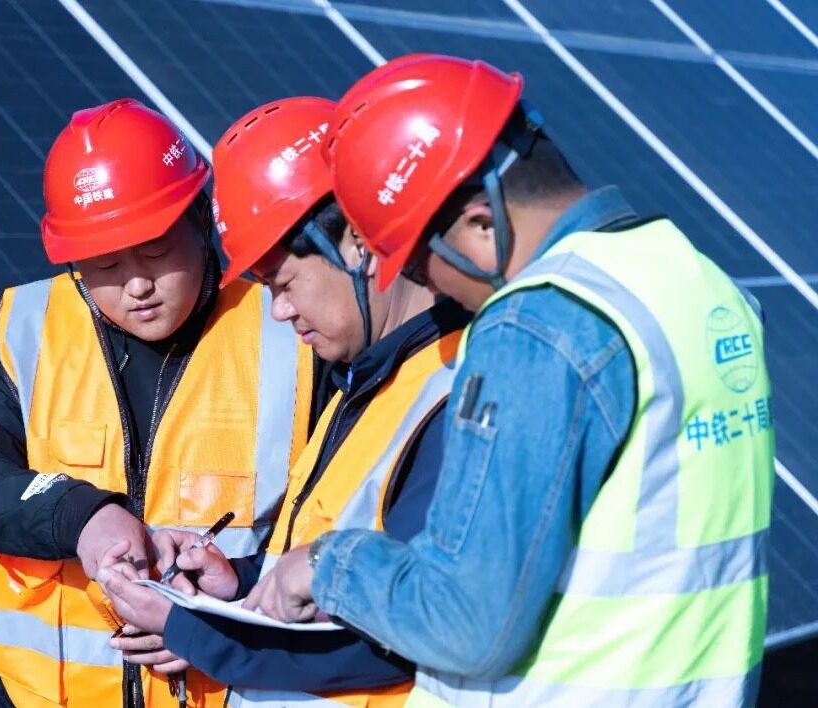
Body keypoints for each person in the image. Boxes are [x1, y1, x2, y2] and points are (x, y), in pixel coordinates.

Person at [246, 54, 776, 707]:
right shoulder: (697, 282)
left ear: (482, 222)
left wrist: (330, 565)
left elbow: (468, 624)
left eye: (417, 259)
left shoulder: (535, 328)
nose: (424, 285)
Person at [0, 98, 315, 708]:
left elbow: (336, 524)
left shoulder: (290, 328)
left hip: (225, 684)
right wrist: (82, 516)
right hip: (54, 695)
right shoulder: (29, 325)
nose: (137, 285)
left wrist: (228, 622)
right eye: (106, 264)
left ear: (202, 223)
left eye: (158, 252)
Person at [96, 96, 469, 706]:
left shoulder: (454, 394)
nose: (280, 311)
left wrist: (195, 628)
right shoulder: (371, 380)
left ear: (357, 246)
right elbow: (333, 572)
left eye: (284, 283)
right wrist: (240, 582)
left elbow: (407, 630)